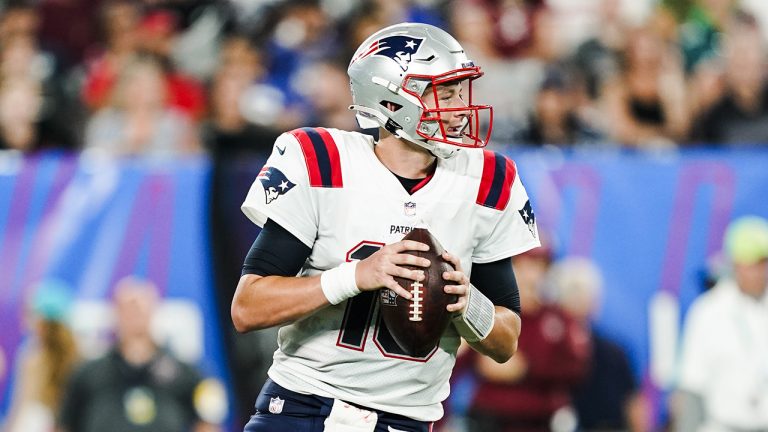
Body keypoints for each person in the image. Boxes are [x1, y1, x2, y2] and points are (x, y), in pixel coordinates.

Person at [232, 22, 540, 432]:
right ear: (390, 103)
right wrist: (357, 276)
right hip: (304, 408)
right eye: (442, 93)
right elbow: (247, 307)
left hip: (407, 422)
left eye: (458, 91)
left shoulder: (486, 179)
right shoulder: (322, 161)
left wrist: (469, 305)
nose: (459, 106)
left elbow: (506, 342)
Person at [58, 277, 221, 432]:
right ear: (116, 313)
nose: (134, 315)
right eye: (128, 308)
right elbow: (64, 424)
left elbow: (207, 422)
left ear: (153, 310)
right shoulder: (88, 373)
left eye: (140, 308)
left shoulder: (184, 372)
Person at [464, 241, 591, 432]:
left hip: (539, 420)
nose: (528, 275)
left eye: (537, 266)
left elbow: (576, 367)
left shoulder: (557, 318)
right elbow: (466, 360)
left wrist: (526, 367)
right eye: (521, 265)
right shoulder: (489, 310)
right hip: (490, 419)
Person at [674, 216, 768, 432]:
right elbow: (692, 386)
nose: (760, 273)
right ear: (736, 265)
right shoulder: (708, 311)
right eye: (753, 265)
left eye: (764, 264)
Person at [3, 280, 79, 432]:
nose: (25, 319)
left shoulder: (32, 358)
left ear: (41, 322)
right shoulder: (79, 358)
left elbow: (21, 406)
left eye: (29, 312)